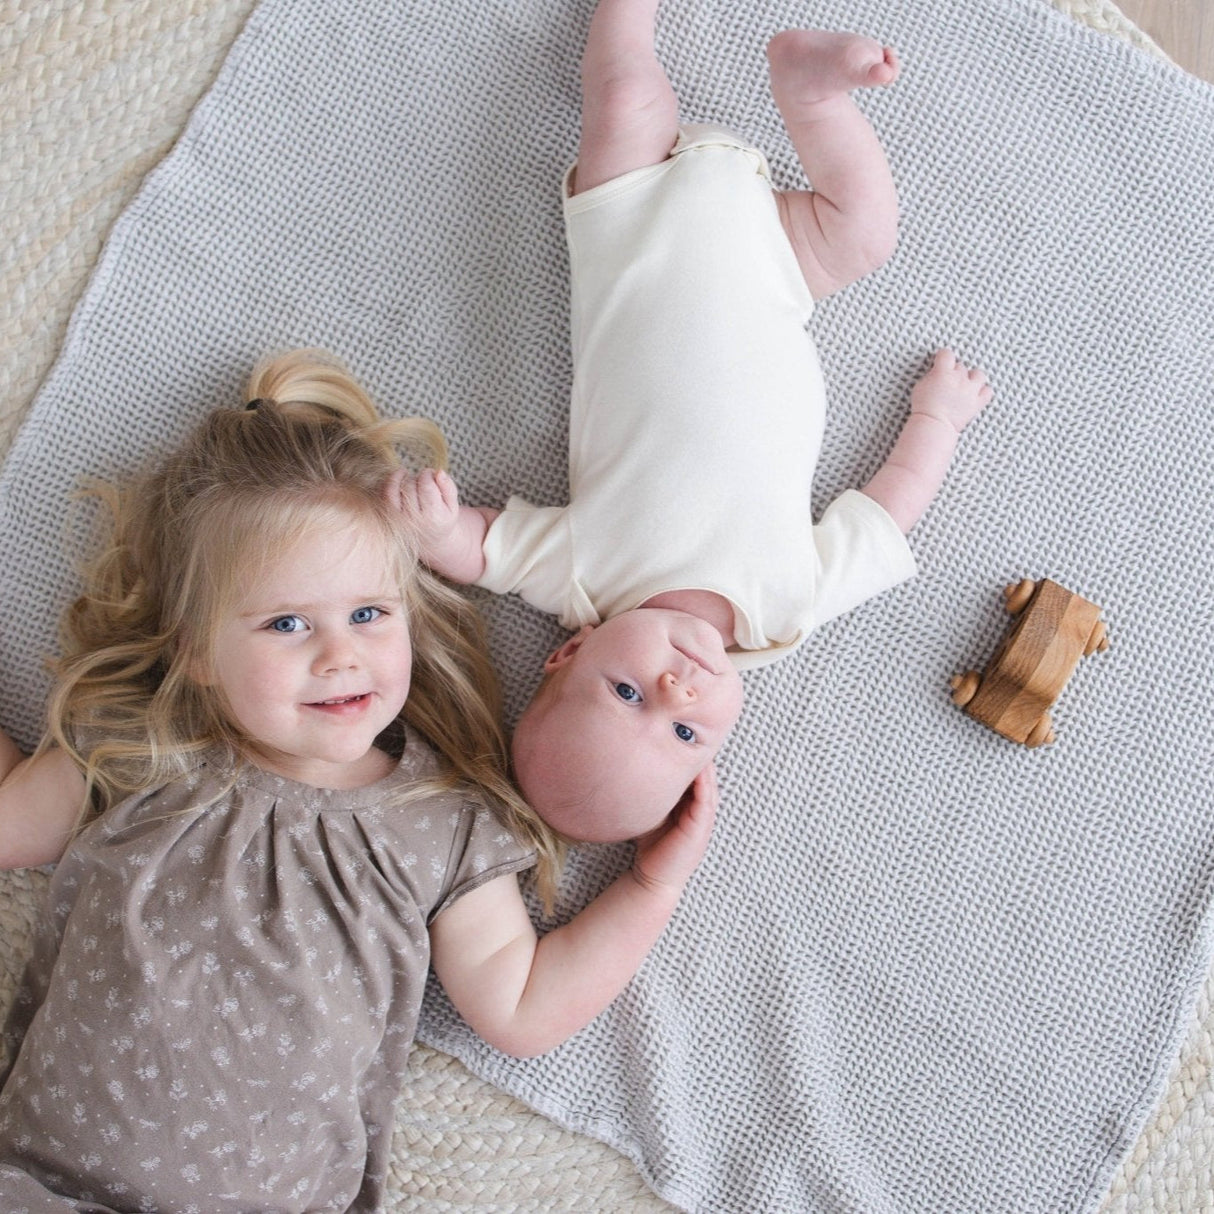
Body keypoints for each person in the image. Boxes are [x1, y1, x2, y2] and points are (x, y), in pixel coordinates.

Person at [0, 349, 715, 1212]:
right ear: (195, 652)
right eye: (287, 622)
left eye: (369, 614)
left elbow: (521, 1004)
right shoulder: (147, 748)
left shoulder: (439, 819)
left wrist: (651, 883)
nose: (340, 654)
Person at [392, 0, 993, 845]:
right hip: (779, 265)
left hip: (630, 222)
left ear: (569, 654)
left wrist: (430, 529)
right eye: (684, 732)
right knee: (867, 232)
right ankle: (810, 92)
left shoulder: (586, 583)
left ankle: (625, 14)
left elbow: (480, 550)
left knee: (628, 94)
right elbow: (889, 513)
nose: (677, 691)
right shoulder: (790, 607)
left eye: (627, 694)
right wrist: (939, 417)